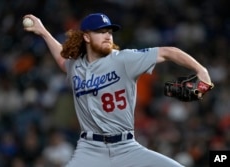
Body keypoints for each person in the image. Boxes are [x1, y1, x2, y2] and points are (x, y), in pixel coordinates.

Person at [23, 13, 212, 167]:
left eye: (109, 32)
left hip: (126, 147)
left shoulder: (124, 60)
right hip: (90, 150)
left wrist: (201, 71)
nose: (107, 35)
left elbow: (168, 52)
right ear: (86, 37)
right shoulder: (76, 67)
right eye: (101, 31)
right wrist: (43, 33)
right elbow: (62, 60)